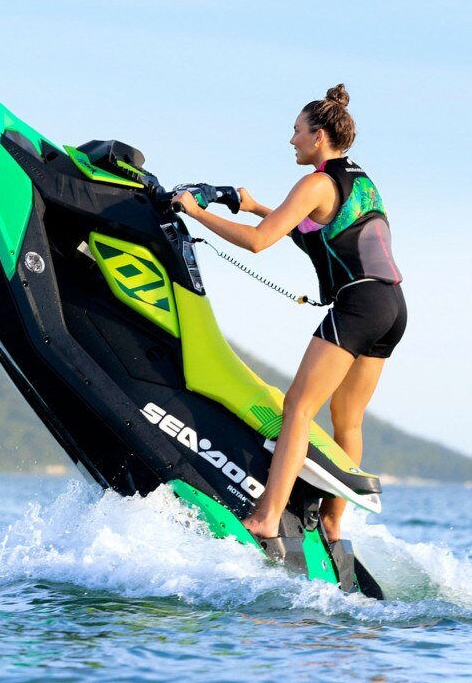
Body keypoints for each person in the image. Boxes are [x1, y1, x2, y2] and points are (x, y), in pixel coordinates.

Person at [173, 84, 406, 543]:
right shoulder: (359, 181)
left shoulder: (315, 181)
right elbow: (315, 233)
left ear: (319, 135)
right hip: (391, 306)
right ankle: (335, 526)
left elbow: (261, 241)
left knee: (298, 406)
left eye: (297, 131)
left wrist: (196, 213)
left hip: (357, 305)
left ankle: (265, 517)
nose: (291, 140)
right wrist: (258, 204)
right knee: (349, 420)